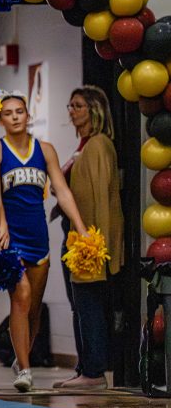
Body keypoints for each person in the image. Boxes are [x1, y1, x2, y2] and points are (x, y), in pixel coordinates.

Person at [0, 92, 87, 392]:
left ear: (28, 115)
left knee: (33, 309)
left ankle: (22, 358)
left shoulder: (45, 150)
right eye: (8, 113)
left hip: (38, 237)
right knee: (22, 297)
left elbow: (62, 191)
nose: (15, 117)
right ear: (0, 119)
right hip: (10, 238)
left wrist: (81, 228)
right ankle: (25, 369)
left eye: (19, 111)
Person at [53, 86, 123, 390]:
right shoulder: (82, 146)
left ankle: (93, 371)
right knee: (80, 306)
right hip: (74, 236)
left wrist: (97, 245)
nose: (72, 111)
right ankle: (85, 367)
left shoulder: (98, 145)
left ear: (94, 109)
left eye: (78, 105)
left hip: (88, 241)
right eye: (70, 105)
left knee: (89, 306)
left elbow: (103, 201)